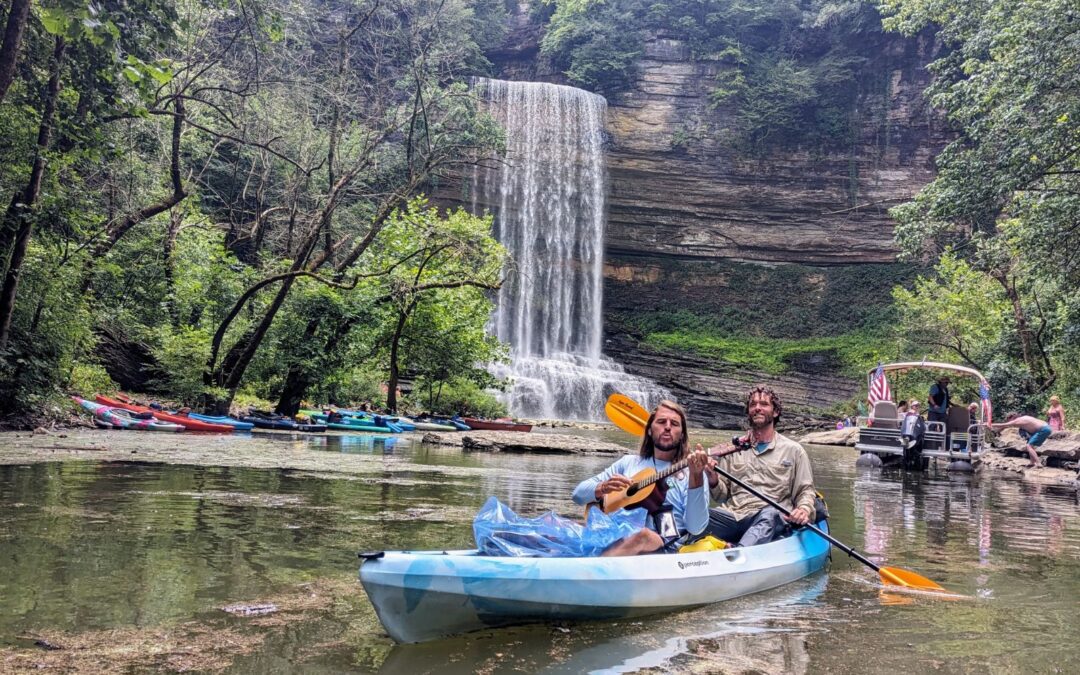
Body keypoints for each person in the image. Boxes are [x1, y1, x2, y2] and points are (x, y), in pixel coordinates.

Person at [572, 400, 712, 556]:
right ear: (650, 430)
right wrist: (603, 488)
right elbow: (578, 495)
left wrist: (696, 477)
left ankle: (591, 567)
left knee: (643, 536)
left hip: (665, 547)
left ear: (682, 435)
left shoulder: (692, 472)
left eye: (674, 424)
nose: (667, 427)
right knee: (567, 527)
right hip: (616, 535)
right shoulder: (628, 463)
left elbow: (696, 527)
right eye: (661, 422)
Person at [701, 386, 817, 547]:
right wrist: (713, 479)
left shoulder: (794, 451)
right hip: (735, 515)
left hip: (771, 518)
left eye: (764, 404)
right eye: (753, 404)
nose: (757, 408)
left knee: (770, 514)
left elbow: (805, 491)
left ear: (775, 412)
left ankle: (740, 551)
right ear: (748, 411)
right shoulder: (732, 449)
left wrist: (803, 509)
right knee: (700, 516)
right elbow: (722, 495)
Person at [988, 413, 1052, 468]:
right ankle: (1032, 462)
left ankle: (1038, 463)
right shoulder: (1024, 417)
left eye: (1008, 419)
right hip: (1046, 427)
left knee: (1029, 446)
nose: (1008, 421)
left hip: (1043, 429)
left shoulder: (1017, 421)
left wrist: (989, 424)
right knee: (1030, 446)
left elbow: (1004, 425)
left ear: (1012, 417)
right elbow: (1004, 427)